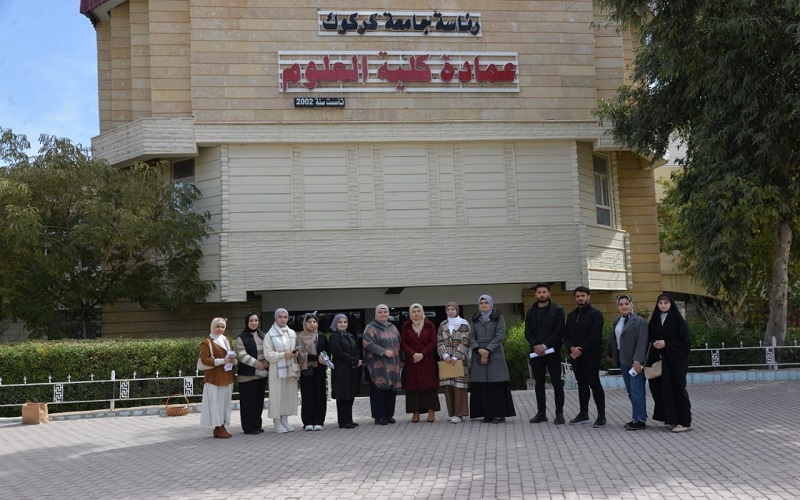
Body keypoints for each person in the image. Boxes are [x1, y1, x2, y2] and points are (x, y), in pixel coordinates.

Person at [648, 293, 693, 433]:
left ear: (671, 304)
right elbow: (650, 337)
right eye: (660, 303)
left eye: (666, 303)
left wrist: (666, 344)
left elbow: (685, 342)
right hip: (661, 362)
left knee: (678, 389)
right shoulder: (655, 319)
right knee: (664, 390)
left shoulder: (678, 321)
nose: (663, 306)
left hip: (676, 363)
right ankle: (672, 419)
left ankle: (685, 422)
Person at [562, 286, 606, 428]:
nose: (580, 298)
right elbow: (565, 334)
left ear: (588, 297)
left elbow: (595, 336)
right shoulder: (572, 315)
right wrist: (571, 348)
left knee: (594, 384)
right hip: (575, 356)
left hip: (591, 356)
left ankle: (601, 416)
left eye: (583, 296)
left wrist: (580, 349)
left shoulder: (596, 314)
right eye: (577, 296)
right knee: (581, 384)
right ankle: (583, 414)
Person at [469, 294, 516, 423]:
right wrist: (479, 350)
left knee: (496, 385)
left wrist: (488, 350)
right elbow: (471, 336)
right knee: (483, 385)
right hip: (479, 353)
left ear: (491, 304)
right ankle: (487, 413)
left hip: (495, 354)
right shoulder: (475, 318)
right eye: (481, 303)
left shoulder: (499, 317)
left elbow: (500, 336)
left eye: (486, 303)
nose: (484, 305)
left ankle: (498, 414)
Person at [524, 283, 566, 425]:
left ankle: (559, 414)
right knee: (539, 383)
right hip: (536, 353)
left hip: (552, 352)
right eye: (539, 292)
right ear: (535, 294)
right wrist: (536, 345)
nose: (541, 294)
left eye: (544, 292)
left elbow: (559, 330)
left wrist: (545, 345)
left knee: (557, 383)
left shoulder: (558, 310)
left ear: (549, 294)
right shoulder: (531, 311)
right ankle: (541, 413)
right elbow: (527, 331)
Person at [606, 294, 648, 430]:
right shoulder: (618, 321)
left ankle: (640, 420)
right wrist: (610, 354)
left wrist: (638, 360)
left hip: (635, 362)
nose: (623, 306)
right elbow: (614, 339)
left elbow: (642, 342)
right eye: (620, 304)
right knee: (630, 391)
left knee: (637, 391)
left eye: (626, 303)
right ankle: (636, 417)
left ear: (631, 304)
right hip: (623, 361)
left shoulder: (639, 321)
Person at [400, 303, 441, 422]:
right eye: (414, 311)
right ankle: (415, 412)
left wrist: (422, 354)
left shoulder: (429, 325)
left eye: (418, 311)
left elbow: (433, 342)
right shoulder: (406, 326)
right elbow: (403, 343)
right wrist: (413, 354)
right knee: (413, 386)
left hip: (426, 359)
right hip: (412, 360)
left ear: (422, 312)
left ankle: (431, 411)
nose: (416, 313)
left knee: (430, 386)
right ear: (410, 313)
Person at [362, 304, 401, 425]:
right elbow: (367, 344)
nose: (383, 314)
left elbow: (399, 343)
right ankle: (379, 416)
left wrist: (401, 360)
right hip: (378, 364)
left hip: (393, 363)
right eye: (380, 312)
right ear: (376, 314)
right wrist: (383, 352)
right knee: (378, 390)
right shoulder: (371, 328)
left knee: (391, 389)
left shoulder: (392, 327)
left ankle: (389, 414)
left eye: (385, 312)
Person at [263, 307, 300, 433]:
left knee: (288, 394)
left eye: (285, 317)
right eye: (280, 317)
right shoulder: (269, 335)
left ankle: (285, 420)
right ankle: (277, 421)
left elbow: (295, 348)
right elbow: (268, 354)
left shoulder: (292, 333)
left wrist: (295, 353)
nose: (283, 319)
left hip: (290, 368)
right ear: (275, 318)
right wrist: (283, 355)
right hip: (276, 370)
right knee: (277, 395)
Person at [199, 317, 237, 439]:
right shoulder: (207, 342)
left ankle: (222, 425)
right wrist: (221, 361)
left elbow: (230, 355)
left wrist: (233, 359)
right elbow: (205, 359)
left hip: (227, 376)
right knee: (216, 403)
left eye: (223, 327)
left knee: (225, 403)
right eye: (218, 326)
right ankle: (218, 427)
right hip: (214, 378)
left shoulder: (227, 340)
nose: (220, 329)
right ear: (212, 327)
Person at [436, 301, 470, 423]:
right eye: (448, 309)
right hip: (446, 360)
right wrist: (445, 355)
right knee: (449, 386)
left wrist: (456, 357)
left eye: (452, 309)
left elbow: (466, 341)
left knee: (459, 387)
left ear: (457, 310)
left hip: (459, 360)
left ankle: (460, 414)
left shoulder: (464, 324)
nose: (450, 311)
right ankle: (452, 412)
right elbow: (439, 340)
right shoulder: (443, 324)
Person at [235, 312, 268, 434]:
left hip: (262, 374)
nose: (254, 323)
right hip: (247, 375)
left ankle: (257, 425)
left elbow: (269, 350)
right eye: (251, 321)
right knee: (248, 403)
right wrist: (257, 364)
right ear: (246, 322)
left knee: (258, 401)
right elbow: (242, 355)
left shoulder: (263, 335)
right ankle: (249, 427)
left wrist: (267, 361)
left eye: (256, 320)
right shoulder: (241, 337)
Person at [297, 313, 330, 431]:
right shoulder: (300, 337)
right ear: (305, 324)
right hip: (306, 370)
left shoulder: (322, 337)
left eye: (314, 322)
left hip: (320, 370)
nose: (312, 324)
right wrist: (316, 358)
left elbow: (327, 351)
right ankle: (307, 422)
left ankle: (319, 421)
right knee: (307, 396)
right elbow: (300, 354)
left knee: (320, 396)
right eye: (309, 322)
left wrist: (325, 359)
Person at [329, 313, 362, 429]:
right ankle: (343, 421)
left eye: (345, 322)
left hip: (352, 369)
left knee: (350, 394)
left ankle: (349, 419)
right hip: (341, 370)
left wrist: (356, 361)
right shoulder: (334, 337)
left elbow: (356, 350)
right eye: (340, 322)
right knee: (343, 395)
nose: (343, 324)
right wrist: (353, 361)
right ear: (335, 323)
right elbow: (338, 352)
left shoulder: (350, 335)